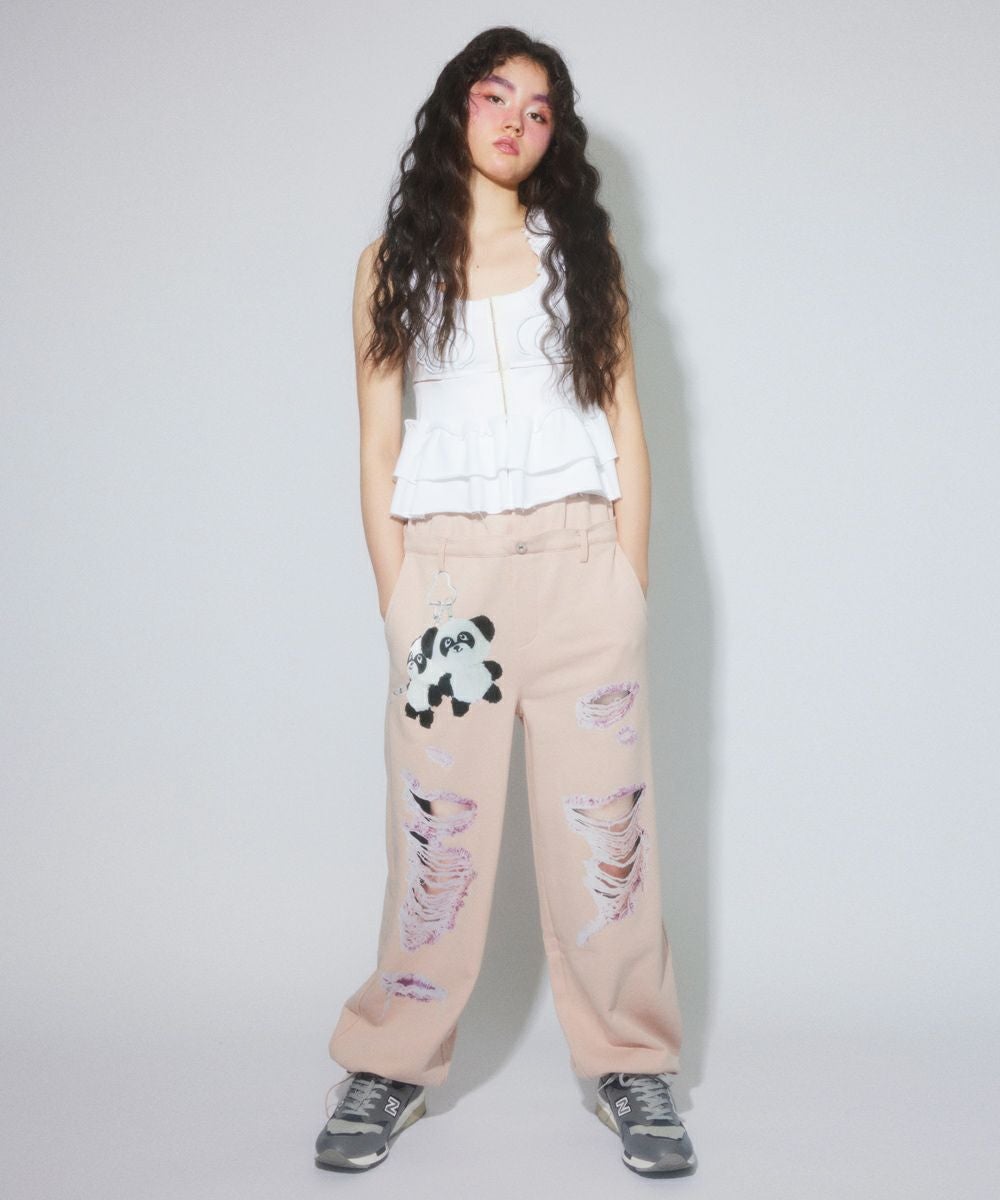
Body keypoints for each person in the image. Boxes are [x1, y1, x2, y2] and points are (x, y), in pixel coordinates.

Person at [314, 26, 697, 1177]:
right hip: (447, 586)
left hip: (582, 571)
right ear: (456, 107)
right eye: (496, 97)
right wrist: (400, 604)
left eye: (539, 111)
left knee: (606, 835)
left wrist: (626, 581)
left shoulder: (584, 257)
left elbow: (625, 424)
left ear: (553, 137)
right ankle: (390, 1061)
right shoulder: (389, 265)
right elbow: (376, 445)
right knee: (436, 834)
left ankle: (631, 1059)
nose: (516, 123)